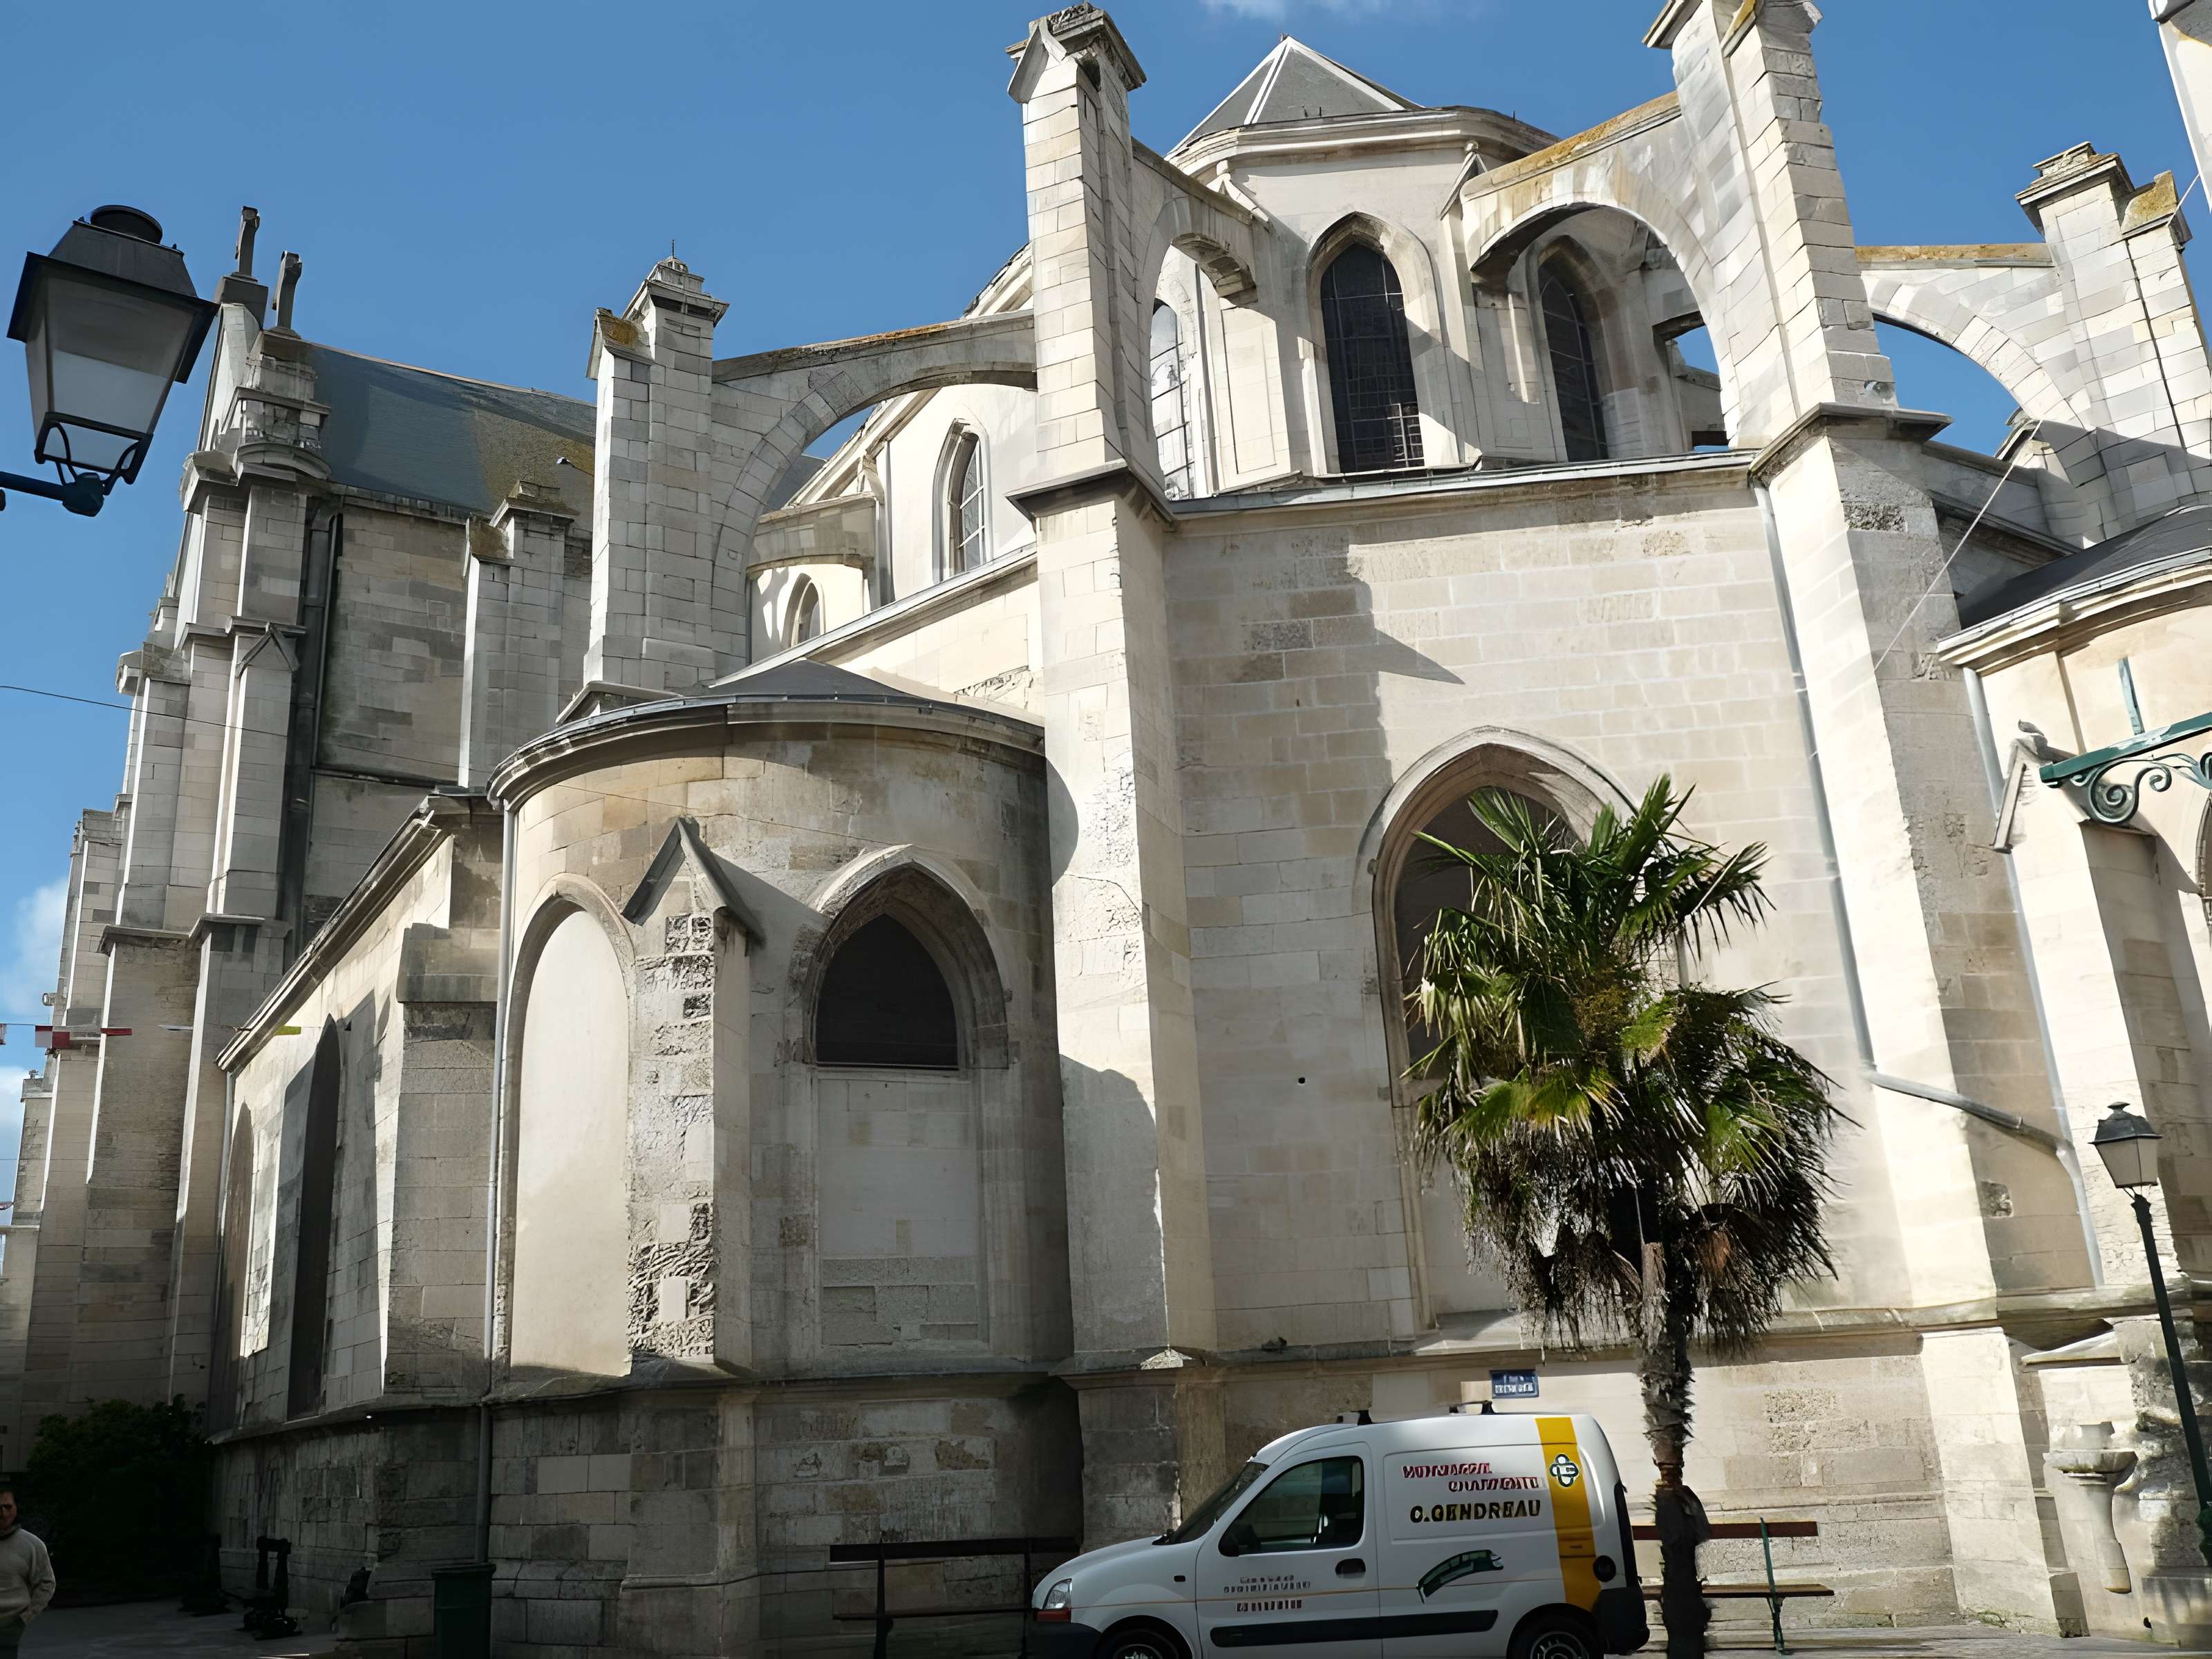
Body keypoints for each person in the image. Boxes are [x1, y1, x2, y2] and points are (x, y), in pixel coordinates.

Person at [0, 1490, 54, 1653]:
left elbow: (47, 1583)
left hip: (14, 1626)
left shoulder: (32, 1545)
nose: (2, 1513)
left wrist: (25, 1618)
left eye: (7, 1507)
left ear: (16, 1508)